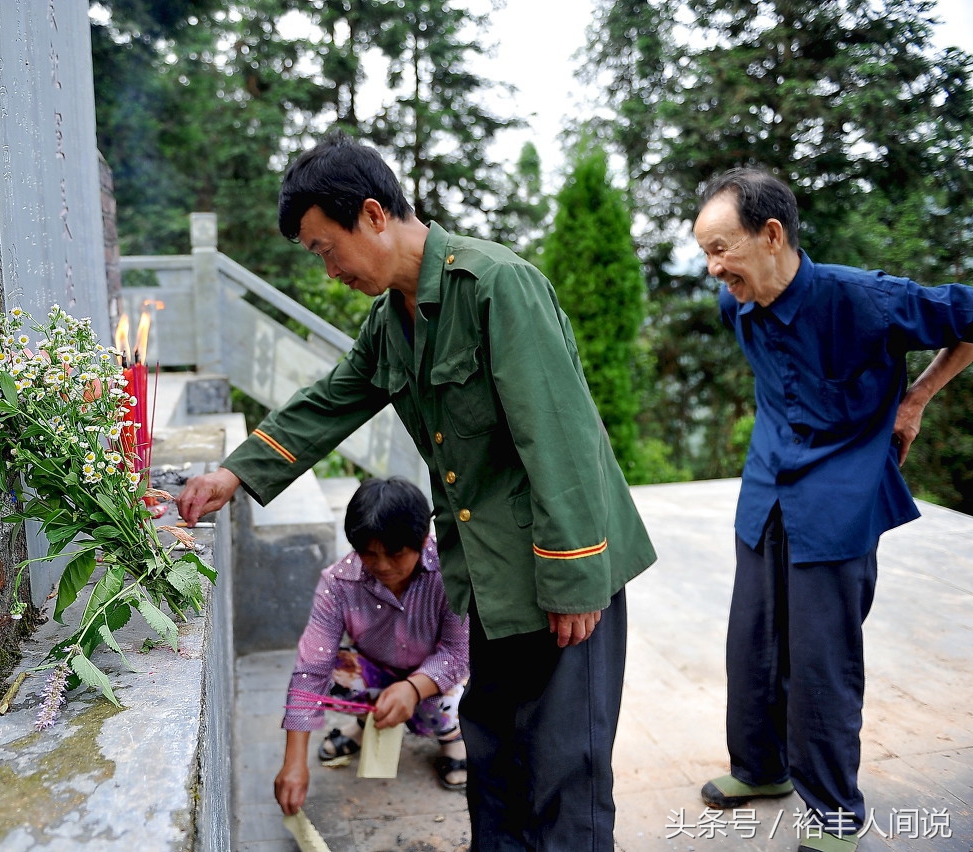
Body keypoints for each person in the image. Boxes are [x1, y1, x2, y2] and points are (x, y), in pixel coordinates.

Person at [177, 130, 657, 850]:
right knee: (495, 756)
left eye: (323, 247)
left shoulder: (496, 285)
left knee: (566, 770)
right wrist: (235, 473)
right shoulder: (390, 323)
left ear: (373, 214)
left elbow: (559, 436)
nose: (326, 268)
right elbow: (332, 400)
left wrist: (577, 576)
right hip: (489, 576)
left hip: (560, 568)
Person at [692, 167, 973, 852]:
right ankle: (760, 771)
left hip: (840, 497)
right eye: (705, 251)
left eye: (721, 249)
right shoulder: (738, 303)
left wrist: (915, 400)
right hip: (765, 488)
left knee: (821, 659)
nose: (712, 269)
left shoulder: (868, 299)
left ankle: (836, 813)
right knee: (751, 642)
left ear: (772, 236)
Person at [275, 476, 470, 816]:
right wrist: (294, 762)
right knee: (330, 669)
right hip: (376, 669)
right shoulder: (337, 583)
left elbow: (457, 653)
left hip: (438, 677)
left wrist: (411, 689)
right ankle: (368, 722)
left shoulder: (449, 572)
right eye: (369, 553)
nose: (381, 566)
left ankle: (451, 736)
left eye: (395, 554)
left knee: (446, 706)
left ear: (422, 540)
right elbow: (310, 670)